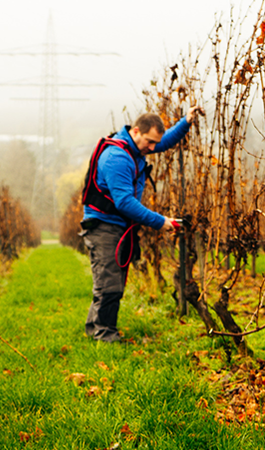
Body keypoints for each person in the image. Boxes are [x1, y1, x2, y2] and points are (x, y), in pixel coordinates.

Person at [80, 107, 203, 343]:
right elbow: (124, 202)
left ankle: (96, 329)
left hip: (116, 225)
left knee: (110, 279)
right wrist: (161, 222)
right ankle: (105, 335)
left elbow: (163, 141)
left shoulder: (135, 146)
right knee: (109, 283)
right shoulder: (117, 158)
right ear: (136, 131)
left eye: (154, 142)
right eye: (149, 142)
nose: (154, 148)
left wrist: (185, 122)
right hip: (103, 226)